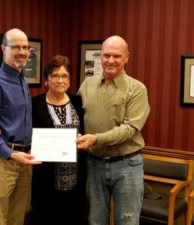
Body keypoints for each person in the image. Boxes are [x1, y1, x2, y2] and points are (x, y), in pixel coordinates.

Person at [77, 35, 150, 225]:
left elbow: (130, 129)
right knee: (95, 220)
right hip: (94, 165)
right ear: (100, 56)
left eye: (116, 56)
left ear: (127, 57)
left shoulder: (137, 89)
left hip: (126, 165)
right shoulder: (87, 84)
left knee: (127, 221)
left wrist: (95, 138)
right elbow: (74, 116)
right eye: (106, 55)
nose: (110, 60)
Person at [0, 28, 40, 225]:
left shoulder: (22, 80)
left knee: (16, 218)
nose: (22, 52)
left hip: (24, 160)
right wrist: (11, 153)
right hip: (2, 160)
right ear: (4, 48)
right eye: (16, 47)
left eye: (25, 47)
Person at [31, 55, 87, 225]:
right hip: (47, 181)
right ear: (47, 79)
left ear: (70, 80)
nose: (60, 80)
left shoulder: (78, 102)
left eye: (64, 76)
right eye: (55, 75)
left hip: (76, 178)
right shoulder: (35, 104)